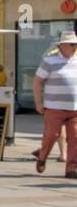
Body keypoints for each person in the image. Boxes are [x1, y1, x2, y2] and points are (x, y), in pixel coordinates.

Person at [34, 31, 77, 179]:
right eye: (72, 44)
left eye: (76, 44)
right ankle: (42, 157)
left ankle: (71, 169)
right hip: (54, 106)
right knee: (52, 135)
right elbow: (37, 81)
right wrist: (39, 102)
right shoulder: (49, 61)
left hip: (74, 108)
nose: (75, 47)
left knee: (75, 139)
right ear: (63, 45)